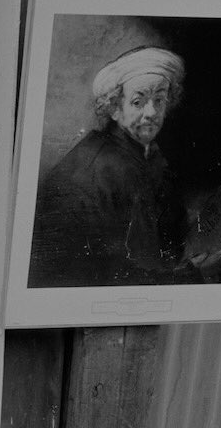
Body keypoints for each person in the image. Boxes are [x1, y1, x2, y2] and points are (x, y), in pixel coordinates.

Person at [29, 45, 196, 288]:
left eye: (159, 100)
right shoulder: (99, 168)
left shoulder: (149, 157)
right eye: (138, 101)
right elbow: (114, 273)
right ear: (115, 107)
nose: (151, 112)